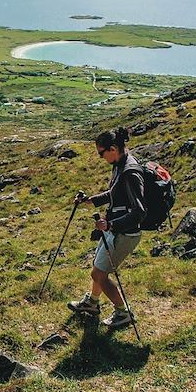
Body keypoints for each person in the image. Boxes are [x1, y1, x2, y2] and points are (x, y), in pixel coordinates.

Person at [68, 127, 146, 328]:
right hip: (114, 230)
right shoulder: (120, 164)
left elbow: (139, 212)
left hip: (125, 233)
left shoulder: (130, 172)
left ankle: (123, 312)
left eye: (101, 153)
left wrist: (111, 224)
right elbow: (114, 193)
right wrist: (90, 201)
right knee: (98, 268)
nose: (100, 157)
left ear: (112, 149)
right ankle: (92, 303)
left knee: (99, 275)